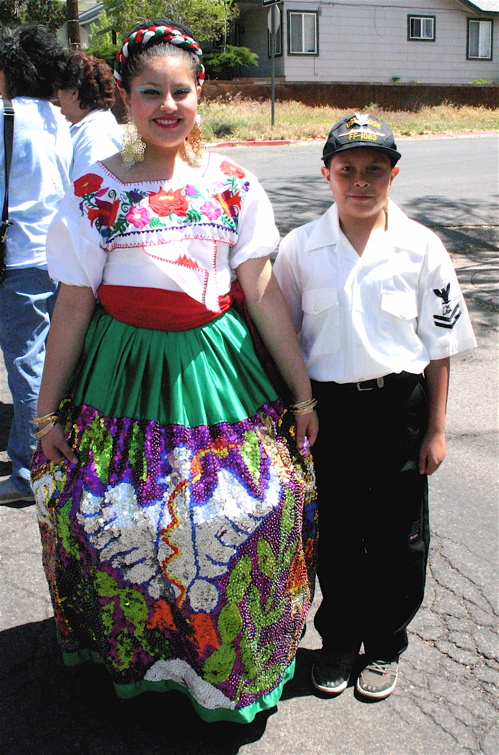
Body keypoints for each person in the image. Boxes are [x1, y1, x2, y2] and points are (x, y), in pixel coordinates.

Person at [31, 20, 318, 723]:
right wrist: (44, 412)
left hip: (217, 374)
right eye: (149, 91)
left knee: (243, 509)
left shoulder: (231, 184)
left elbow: (262, 292)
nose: (167, 105)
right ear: (126, 98)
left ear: (200, 95)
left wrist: (302, 392)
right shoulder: (95, 190)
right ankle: (136, 652)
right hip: (118, 373)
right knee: (109, 516)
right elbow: (72, 306)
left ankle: (219, 663)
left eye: (180, 91)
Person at [273, 113, 476, 701]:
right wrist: (297, 406)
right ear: (326, 174)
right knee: (335, 534)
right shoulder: (300, 248)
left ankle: (385, 646)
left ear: (394, 175)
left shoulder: (420, 248)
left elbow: (438, 353)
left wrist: (435, 431)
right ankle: (336, 641)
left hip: (399, 410)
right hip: (327, 411)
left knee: (399, 538)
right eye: (347, 170)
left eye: (374, 171)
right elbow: (283, 338)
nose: (360, 181)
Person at [0, 25, 72, 505]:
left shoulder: (6, 118)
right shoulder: (59, 119)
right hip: (57, 258)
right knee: (51, 362)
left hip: (17, 259)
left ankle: (29, 469)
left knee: (26, 363)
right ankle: (49, 452)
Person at [57, 51, 122, 180]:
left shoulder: (96, 136)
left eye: (58, 88)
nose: (57, 96)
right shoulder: (91, 127)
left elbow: (90, 193)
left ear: (74, 93)